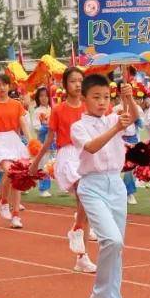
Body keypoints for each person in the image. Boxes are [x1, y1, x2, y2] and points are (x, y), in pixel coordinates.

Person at [72, 72, 141, 298]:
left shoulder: (115, 116)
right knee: (111, 240)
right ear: (84, 98)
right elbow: (91, 147)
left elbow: (133, 119)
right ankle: (100, 295)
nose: (102, 102)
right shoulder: (79, 126)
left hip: (116, 185)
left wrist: (129, 98)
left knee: (117, 249)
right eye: (96, 97)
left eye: (106, 97)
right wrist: (116, 127)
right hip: (92, 186)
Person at [31, 68, 98, 272]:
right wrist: (36, 162)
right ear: (65, 85)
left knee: (84, 204)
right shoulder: (58, 110)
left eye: (80, 81)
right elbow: (49, 139)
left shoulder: (89, 107)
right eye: (73, 81)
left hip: (85, 154)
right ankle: (77, 231)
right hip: (68, 157)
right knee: (84, 194)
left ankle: (82, 256)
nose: (78, 85)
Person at [0, 74, 29, 229]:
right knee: (10, 171)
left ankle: (15, 215)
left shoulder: (16, 105)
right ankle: (3, 201)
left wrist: (31, 141)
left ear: (9, 86)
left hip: (13, 139)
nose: (2, 88)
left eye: (5, 84)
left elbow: (23, 124)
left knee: (18, 176)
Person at [113, 80, 143, 205]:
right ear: (119, 91)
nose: (125, 90)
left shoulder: (136, 108)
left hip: (132, 139)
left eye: (128, 88)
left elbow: (140, 123)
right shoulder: (115, 109)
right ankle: (116, 193)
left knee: (130, 169)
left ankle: (130, 193)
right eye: (123, 88)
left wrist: (135, 119)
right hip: (120, 140)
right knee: (117, 168)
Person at [30, 87, 53, 198]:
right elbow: (36, 127)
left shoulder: (53, 110)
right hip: (43, 141)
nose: (44, 98)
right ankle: (43, 188)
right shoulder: (37, 111)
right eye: (41, 96)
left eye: (46, 95)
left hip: (54, 141)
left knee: (53, 164)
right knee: (44, 165)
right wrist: (45, 127)